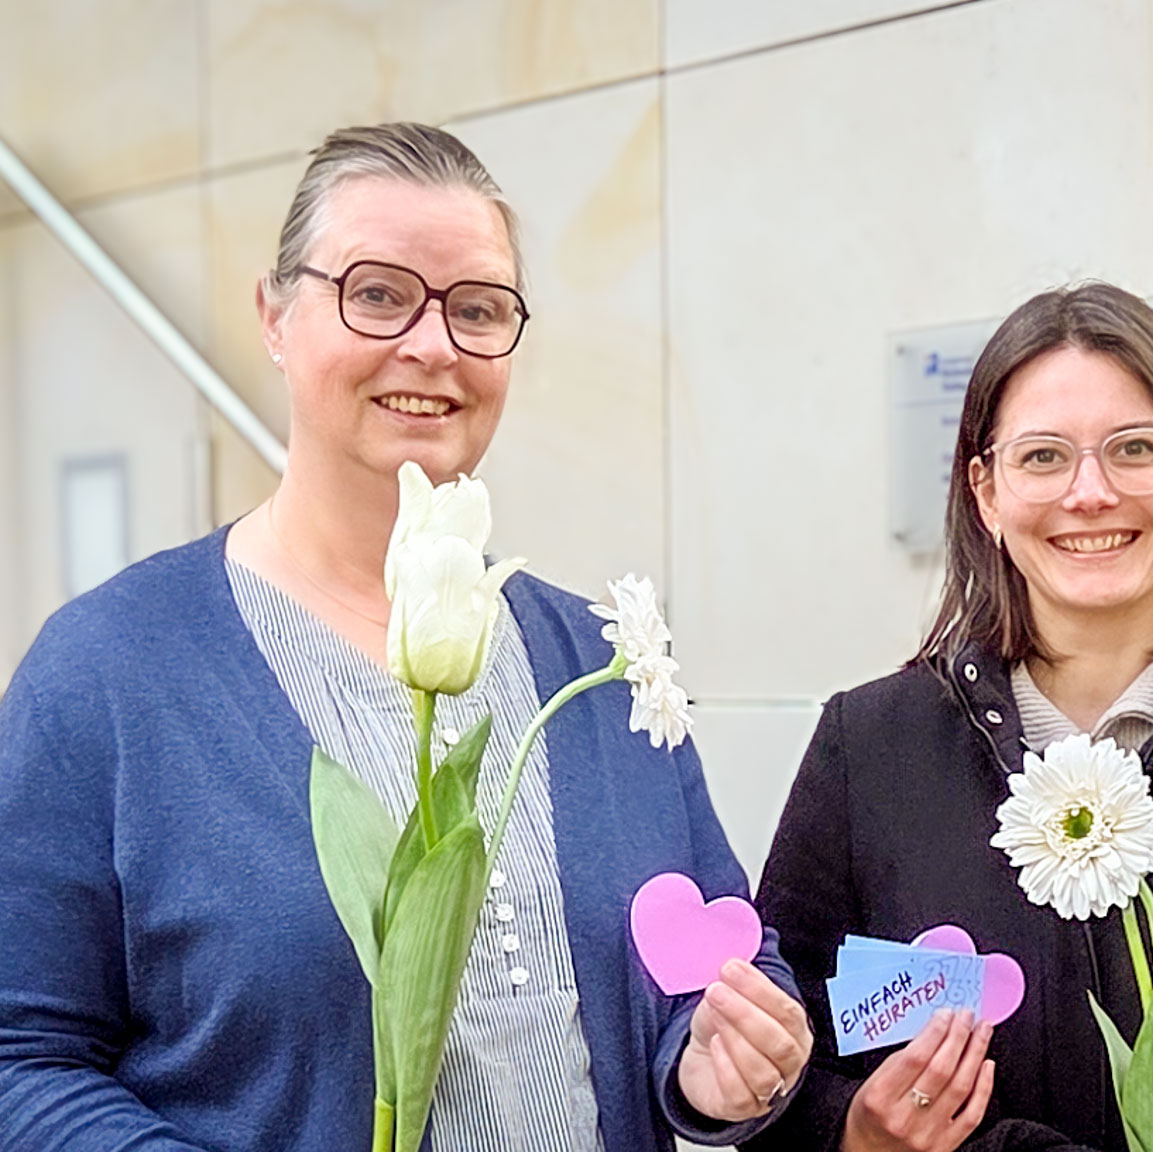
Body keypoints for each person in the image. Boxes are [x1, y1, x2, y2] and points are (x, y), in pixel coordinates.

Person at [0, 123, 811, 1152]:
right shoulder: (108, 675)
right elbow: (21, 1059)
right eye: (377, 293)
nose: (431, 345)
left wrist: (715, 1064)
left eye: (476, 309)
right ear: (275, 315)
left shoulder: (602, 666)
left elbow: (725, 955)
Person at [746, 282, 1153, 1152]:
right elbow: (765, 1083)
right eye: (1043, 456)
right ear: (985, 493)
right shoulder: (868, 749)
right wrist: (851, 1134)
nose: (1090, 493)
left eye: (1134, 448)